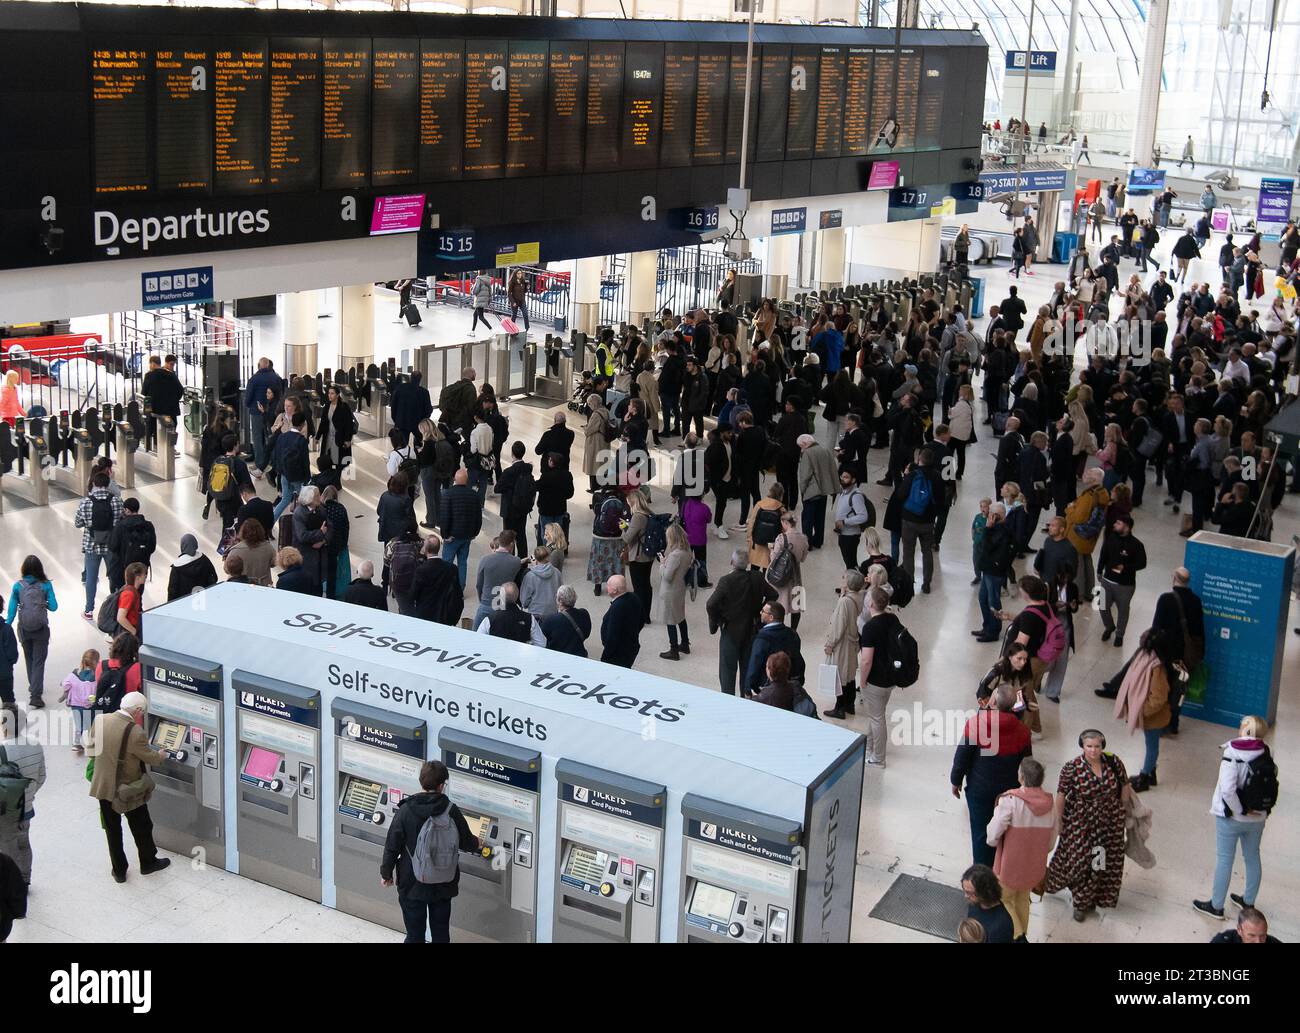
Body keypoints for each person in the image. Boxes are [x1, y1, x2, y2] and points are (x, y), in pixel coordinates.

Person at [380, 759, 482, 944]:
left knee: (414, 935)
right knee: (441, 935)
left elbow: (392, 845)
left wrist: (386, 873)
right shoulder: (451, 811)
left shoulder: (406, 810)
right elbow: (467, 842)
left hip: (411, 882)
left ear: (422, 782)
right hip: (443, 882)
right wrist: (478, 842)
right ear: (441, 785)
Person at [1191, 715, 1276, 920]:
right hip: (1258, 818)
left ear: (1247, 729)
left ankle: (1216, 906)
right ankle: (1248, 902)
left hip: (1231, 818)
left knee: (1225, 860)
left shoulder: (1233, 751)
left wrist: (1239, 810)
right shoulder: (1265, 751)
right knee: (1253, 857)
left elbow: (1228, 790)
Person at [85, 691, 171, 883]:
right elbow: (151, 758)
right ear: (138, 710)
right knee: (141, 826)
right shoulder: (135, 732)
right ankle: (148, 863)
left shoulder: (100, 721)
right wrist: (162, 755)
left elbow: (90, 751)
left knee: (112, 830)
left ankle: (119, 871)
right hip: (129, 789)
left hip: (103, 787)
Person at [1044, 729, 1129, 922]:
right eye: (1089, 746)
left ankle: (1083, 902)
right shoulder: (1071, 767)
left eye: (1097, 746)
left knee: (1098, 863)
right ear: (1082, 746)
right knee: (1078, 861)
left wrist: (1123, 812)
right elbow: (1061, 795)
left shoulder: (1113, 762)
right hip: (1081, 824)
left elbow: (1124, 785)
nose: (1093, 750)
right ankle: (1057, 884)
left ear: (1103, 746)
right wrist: (1059, 821)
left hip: (1109, 823)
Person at [985, 757, 1056, 941]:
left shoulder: (1010, 801)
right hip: (1033, 866)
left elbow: (993, 833)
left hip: (1010, 865)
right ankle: (1022, 932)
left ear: (1022, 778)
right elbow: (1051, 839)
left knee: (1004, 899)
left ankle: (1018, 937)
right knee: (1023, 899)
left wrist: (992, 841)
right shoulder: (1049, 804)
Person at [706, 549, 776, 696]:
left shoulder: (726, 581)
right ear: (748, 563)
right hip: (751, 630)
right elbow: (773, 594)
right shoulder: (758, 577)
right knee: (747, 669)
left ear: (732, 563)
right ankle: (744, 698)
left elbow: (711, 604)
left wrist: (717, 621)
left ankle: (728, 700)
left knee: (727, 672)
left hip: (730, 631)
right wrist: (761, 612)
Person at [0, 707, 44, 886]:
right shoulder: (35, 744)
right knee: (24, 842)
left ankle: (13, 885)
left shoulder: (2, 750)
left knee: (8, 847)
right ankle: (25, 879)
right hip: (26, 807)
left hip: (6, 811)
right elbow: (41, 777)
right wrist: (29, 794)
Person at [6, 557, 56, 711]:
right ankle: (36, 696)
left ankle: (33, 686)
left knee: (29, 658)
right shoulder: (46, 585)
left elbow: (12, 609)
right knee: (39, 662)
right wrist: (44, 604)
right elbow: (54, 607)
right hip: (41, 629)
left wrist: (7, 624)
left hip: (24, 629)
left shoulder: (17, 586)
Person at [75, 472, 123, 622]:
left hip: (91, 545)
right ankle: (116, 607)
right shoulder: (116, 501)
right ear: (108, 484)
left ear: (94, 484)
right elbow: (120, 520)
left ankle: (89, 610)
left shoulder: (85, 502)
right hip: (111, 545)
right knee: (113, 576)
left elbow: (78, 523)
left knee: (91, 578)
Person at [1095, 512, 1146, 649]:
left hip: (1125, 585)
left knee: (1123, 611)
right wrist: (1099, 570)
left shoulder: (1136, 545)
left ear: (1127, 527)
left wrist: (1126, 567)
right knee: (1102, 605)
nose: (1114, 525)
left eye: (1118, 523)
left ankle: (1119, 635)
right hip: (1107, 579)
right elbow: (1103, 554)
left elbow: (1142, 564)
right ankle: (1109, 626)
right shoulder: (1111, 538)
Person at [897, 447, 943, 594]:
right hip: (928, 521)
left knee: (908, 551)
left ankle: (909, 583)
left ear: (919, 460)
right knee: (927, 551)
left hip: (909, 519)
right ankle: (927, 583)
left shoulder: (912, 475)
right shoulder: (937, 476)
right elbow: (941, 500)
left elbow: (901, 494)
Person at [743, 601, 803, 697]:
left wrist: (748, 687)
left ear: (771, 617)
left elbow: (755, 663)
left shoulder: (762, 638)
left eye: (763, 611)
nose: (760, 613)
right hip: (789, 685)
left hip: (767, 687)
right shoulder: (792, 634)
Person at [436, 469, 482, 589]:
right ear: (466, 481)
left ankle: (445, 587)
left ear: (455, 480)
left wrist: (445, 535)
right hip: (467, 535)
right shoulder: (474, 495)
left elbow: (445, 517)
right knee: (462, 562)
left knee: (447, 562)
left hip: (452, 536)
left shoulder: (448, 494)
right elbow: (478, 516)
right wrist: (474, 533)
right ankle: (460, 587)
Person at [472, 532, 523, 631]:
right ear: (512, 544)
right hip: (502, 607)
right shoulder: (516, 562)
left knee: (475, 636)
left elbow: (479, 585)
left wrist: (482, 599)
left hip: (486, 604)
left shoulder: (485, 559)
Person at [656, 523, 692, 661]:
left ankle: (673, 650)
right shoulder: (687, 550)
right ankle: (684, 643)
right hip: (680, 588)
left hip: (670, 590)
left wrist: (662, 563)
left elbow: (667, 575)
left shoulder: (675, 555)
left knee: (670, 620)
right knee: (680, 616)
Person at [495, 441, 536, 559]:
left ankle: (509, 560)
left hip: (509, 509)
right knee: (521, 535)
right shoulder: (528, 468)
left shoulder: (508, 472)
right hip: (523, 508)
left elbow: (498, 488)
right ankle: (523, 561)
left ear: (512, 453)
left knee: (508, 537)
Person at [411, 535, 464, 627]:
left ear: (426, 550)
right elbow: (457, 592)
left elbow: (414, 593)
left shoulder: (421, 570)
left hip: (425, 613)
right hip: (445, 613)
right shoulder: (452, 568)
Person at [107, 498, 156, 593]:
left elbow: (112, 546)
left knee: (122, 597)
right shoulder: (148, 526)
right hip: (141, 568)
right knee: (137, 596)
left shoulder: (120, 526)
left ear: (127, 510)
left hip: (122, 570)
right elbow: (152, 547)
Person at [797, 434, 837, 549]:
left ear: (805, 444)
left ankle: (807, 544)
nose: (801, 449)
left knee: (807, 520)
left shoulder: (807, 454)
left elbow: (805, 476)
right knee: (820, 518)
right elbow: (832, 469)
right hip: (824, 491)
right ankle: (818, 541)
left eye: (801, 446)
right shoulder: (826, 450)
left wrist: (803, 491)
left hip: (811, 492)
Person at [270, 410, 311, 525]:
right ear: (303, 424)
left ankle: (270, 523)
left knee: (285, 499)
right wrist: (307, 478)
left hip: (284, 473)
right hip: (297, 476)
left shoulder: (282, 437)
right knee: (304, 501)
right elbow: (305, 461)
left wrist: (280, 471)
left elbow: (277, 454)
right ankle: (305, 524)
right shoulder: (301, 441)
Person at [475, 582, 546, 644]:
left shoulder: (490, 619)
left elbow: (479, 640)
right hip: (521, 658)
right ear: (517, 596)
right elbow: (541, 643)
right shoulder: (529, 618)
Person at [960, 864, 1015, 944]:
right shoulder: (974, 903)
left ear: (984, 892)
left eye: (970, 893)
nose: (966, 896)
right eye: (965, 890)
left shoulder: (1000, 927)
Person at [600, 575, 643, 668]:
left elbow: (612, 635)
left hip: (617, 654)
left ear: (615, 590)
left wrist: (606, 654)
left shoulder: (617, 607)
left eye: (608, 585)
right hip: (631, 648)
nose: (606, 587)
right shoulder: (634, 597)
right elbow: (642, 620)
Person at [833, 467, 872, 570]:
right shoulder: (844, 492)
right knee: (848, 562)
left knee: (851, 563)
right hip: (843, 533)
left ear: (853, 480)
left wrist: (845, 521)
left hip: (850, 536)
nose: (842, 479)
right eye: (842, 477)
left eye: (846, 477)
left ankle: (854, 583)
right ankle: (850, 582)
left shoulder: (856, 495)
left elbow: (863, 516)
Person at [539, 584, 592, 657]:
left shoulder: (550, 620)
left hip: (557, 658)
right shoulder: (584, 613)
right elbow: (586, 633)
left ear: (559, 601)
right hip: (579, 656)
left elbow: (542, 640)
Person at [226, 517, 277, 587]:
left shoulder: (235, 550)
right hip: (264, 586)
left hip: (242, 586)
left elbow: (227, 570)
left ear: (242, 532)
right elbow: (274, 564)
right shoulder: (268, 548)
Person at [165, 534, 218, 602]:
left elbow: (172, 591)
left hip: (185, 603)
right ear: (195, 544)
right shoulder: (204, 559)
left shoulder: (177, 567)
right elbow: (214, 577)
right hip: (204, 600)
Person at [519, 547, 562, 619]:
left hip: (535, 613)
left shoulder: (530, 576)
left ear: (536, 558)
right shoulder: (557, 572)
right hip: (552, 612)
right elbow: (560, 593)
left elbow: (524, 601)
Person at [1209, 906, 1280, 943]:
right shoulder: (1222, 941)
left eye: (1262, 936)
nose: (1258, 941)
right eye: (1252, 935)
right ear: (1239, 930)